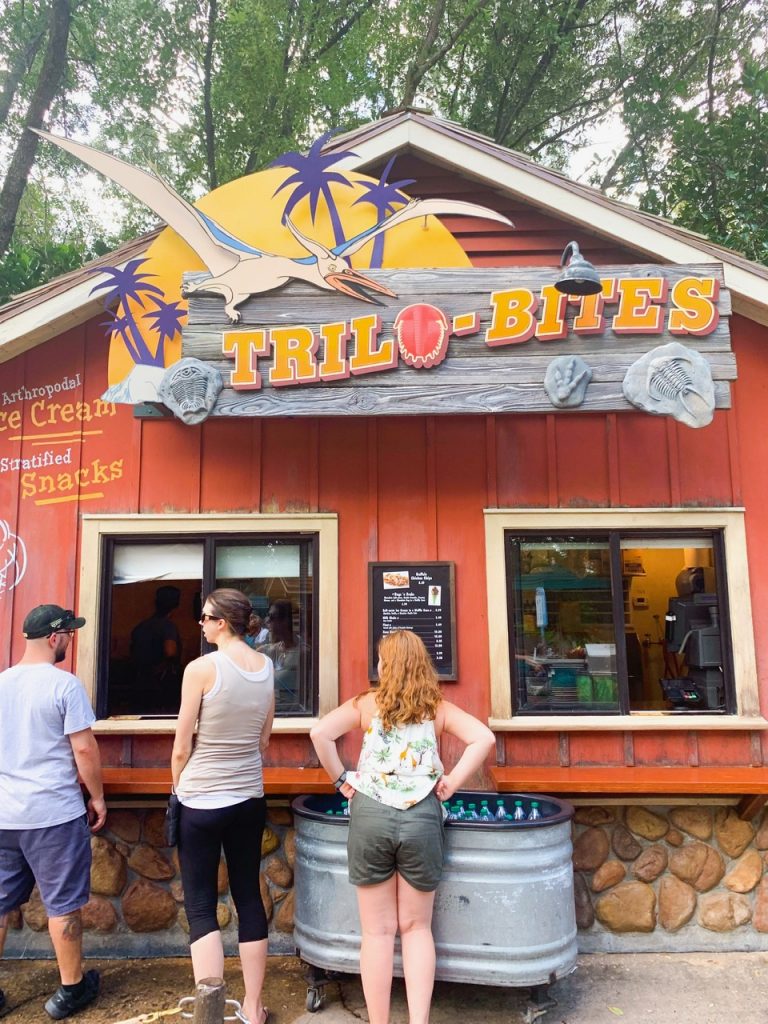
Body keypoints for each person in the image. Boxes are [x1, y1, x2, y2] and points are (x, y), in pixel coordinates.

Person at [310, 629, 495, 1024]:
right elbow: (483, 737)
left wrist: (342, 780)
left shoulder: (364, 705)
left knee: (377, 933)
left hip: (371, 815)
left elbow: (319, 733)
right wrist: (452, 783)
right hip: (422, 816)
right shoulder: (437, 709)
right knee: (415, 929)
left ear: (385, 666)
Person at [172, 588, 275, 1024]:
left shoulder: (201, 669)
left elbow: (181, 747)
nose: (200, 622)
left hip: (200, 799)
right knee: (248, 895)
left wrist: (178, 789)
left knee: (199, 904)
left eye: (205, 616)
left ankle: (209, 1012)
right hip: (248, 795)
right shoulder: (266, 666)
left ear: (221, 622)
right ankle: (253, 1008)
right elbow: (264, 739)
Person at [0, 604, 106, 1020]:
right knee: (62, 905)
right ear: (55, 637)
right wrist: (96, 797)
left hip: (6, 813)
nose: (70, 642)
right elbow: (83, 748)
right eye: (69, 635)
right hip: (53, 815)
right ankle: (70, 990)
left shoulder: (1, 684)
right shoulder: (65, 686)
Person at [130, 584, 182, 712]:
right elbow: (170, 651)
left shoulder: (141, 627)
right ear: (176, 605)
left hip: (139, 681)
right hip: (161, 683)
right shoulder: (168, 626)